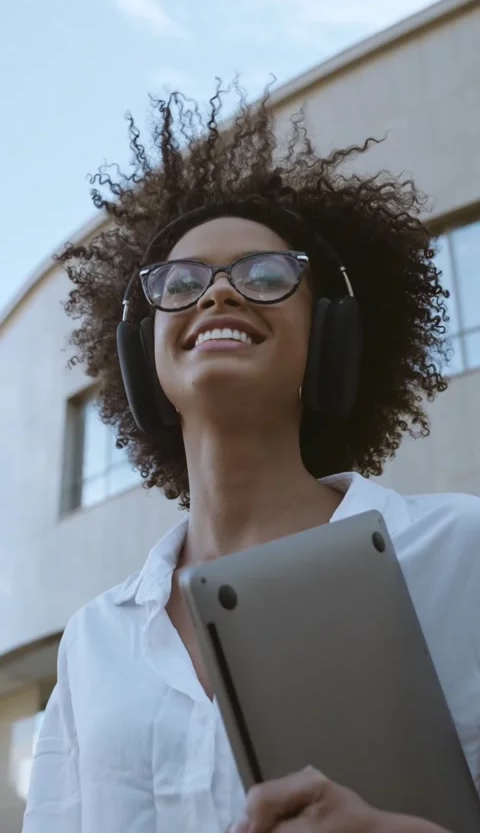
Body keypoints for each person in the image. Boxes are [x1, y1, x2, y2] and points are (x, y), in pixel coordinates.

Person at [23, 85, 480, 833]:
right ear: (146, 364)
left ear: (329, 339)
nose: (220, 294)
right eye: (182, 283)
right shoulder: (93, 641)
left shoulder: (461, 551)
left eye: (266, 276)